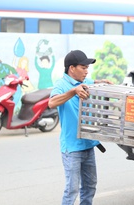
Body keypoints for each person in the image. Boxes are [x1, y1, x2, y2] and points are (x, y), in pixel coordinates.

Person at [48, 50, 112, 205]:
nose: (86, 70)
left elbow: (92, 81)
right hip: (72, 148)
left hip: (88, 145)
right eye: (83, 67)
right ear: (72, 68)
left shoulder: (85, 82)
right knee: (72, 190)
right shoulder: (61, 85)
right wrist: (73, 91)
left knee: (89, 187)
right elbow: (52, 102)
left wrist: (102, 82)